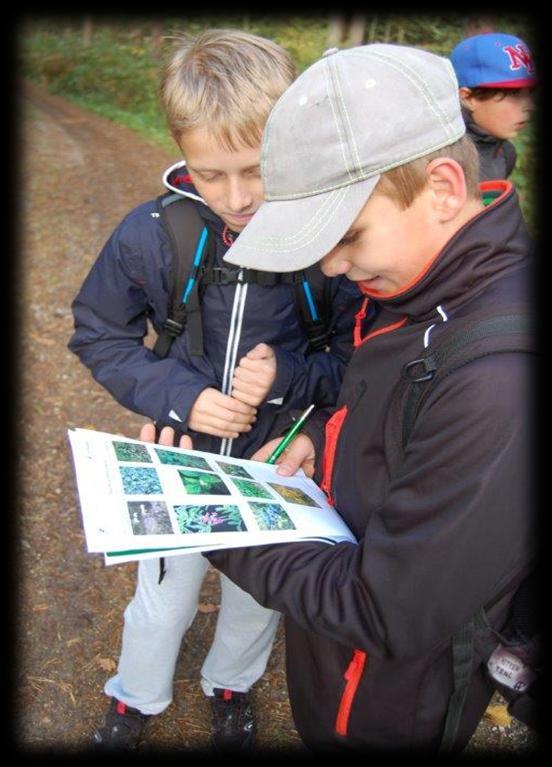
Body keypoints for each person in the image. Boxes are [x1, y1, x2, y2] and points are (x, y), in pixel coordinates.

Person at [189, 43, 534, 753]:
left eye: (345, 235)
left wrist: (217, 525)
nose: (331, 265)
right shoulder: (418, 278)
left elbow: (388, 612)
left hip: (389, 699)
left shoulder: (498, 380)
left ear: (442, 187)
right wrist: (328, 426)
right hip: (336, 651)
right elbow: (383, 391)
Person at [68, 30, 365, 751]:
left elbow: (356, 358)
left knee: (258, 596)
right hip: (182, 457)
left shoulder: (329, 241)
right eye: (211, 174)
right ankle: (134, 696)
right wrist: (177, 395)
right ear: (180, 153)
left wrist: (292, 386)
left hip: (277, 462)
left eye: (256, 170)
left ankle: (231, 685)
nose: (237, 197)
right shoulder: (151, 234)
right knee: (162, 597)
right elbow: (98, 331)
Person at [450, 32, 536, 181]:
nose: (530, 106)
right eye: (514, 94)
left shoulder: (505, 153)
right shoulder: (438, 161)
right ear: (468, 97)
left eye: (530, 93)